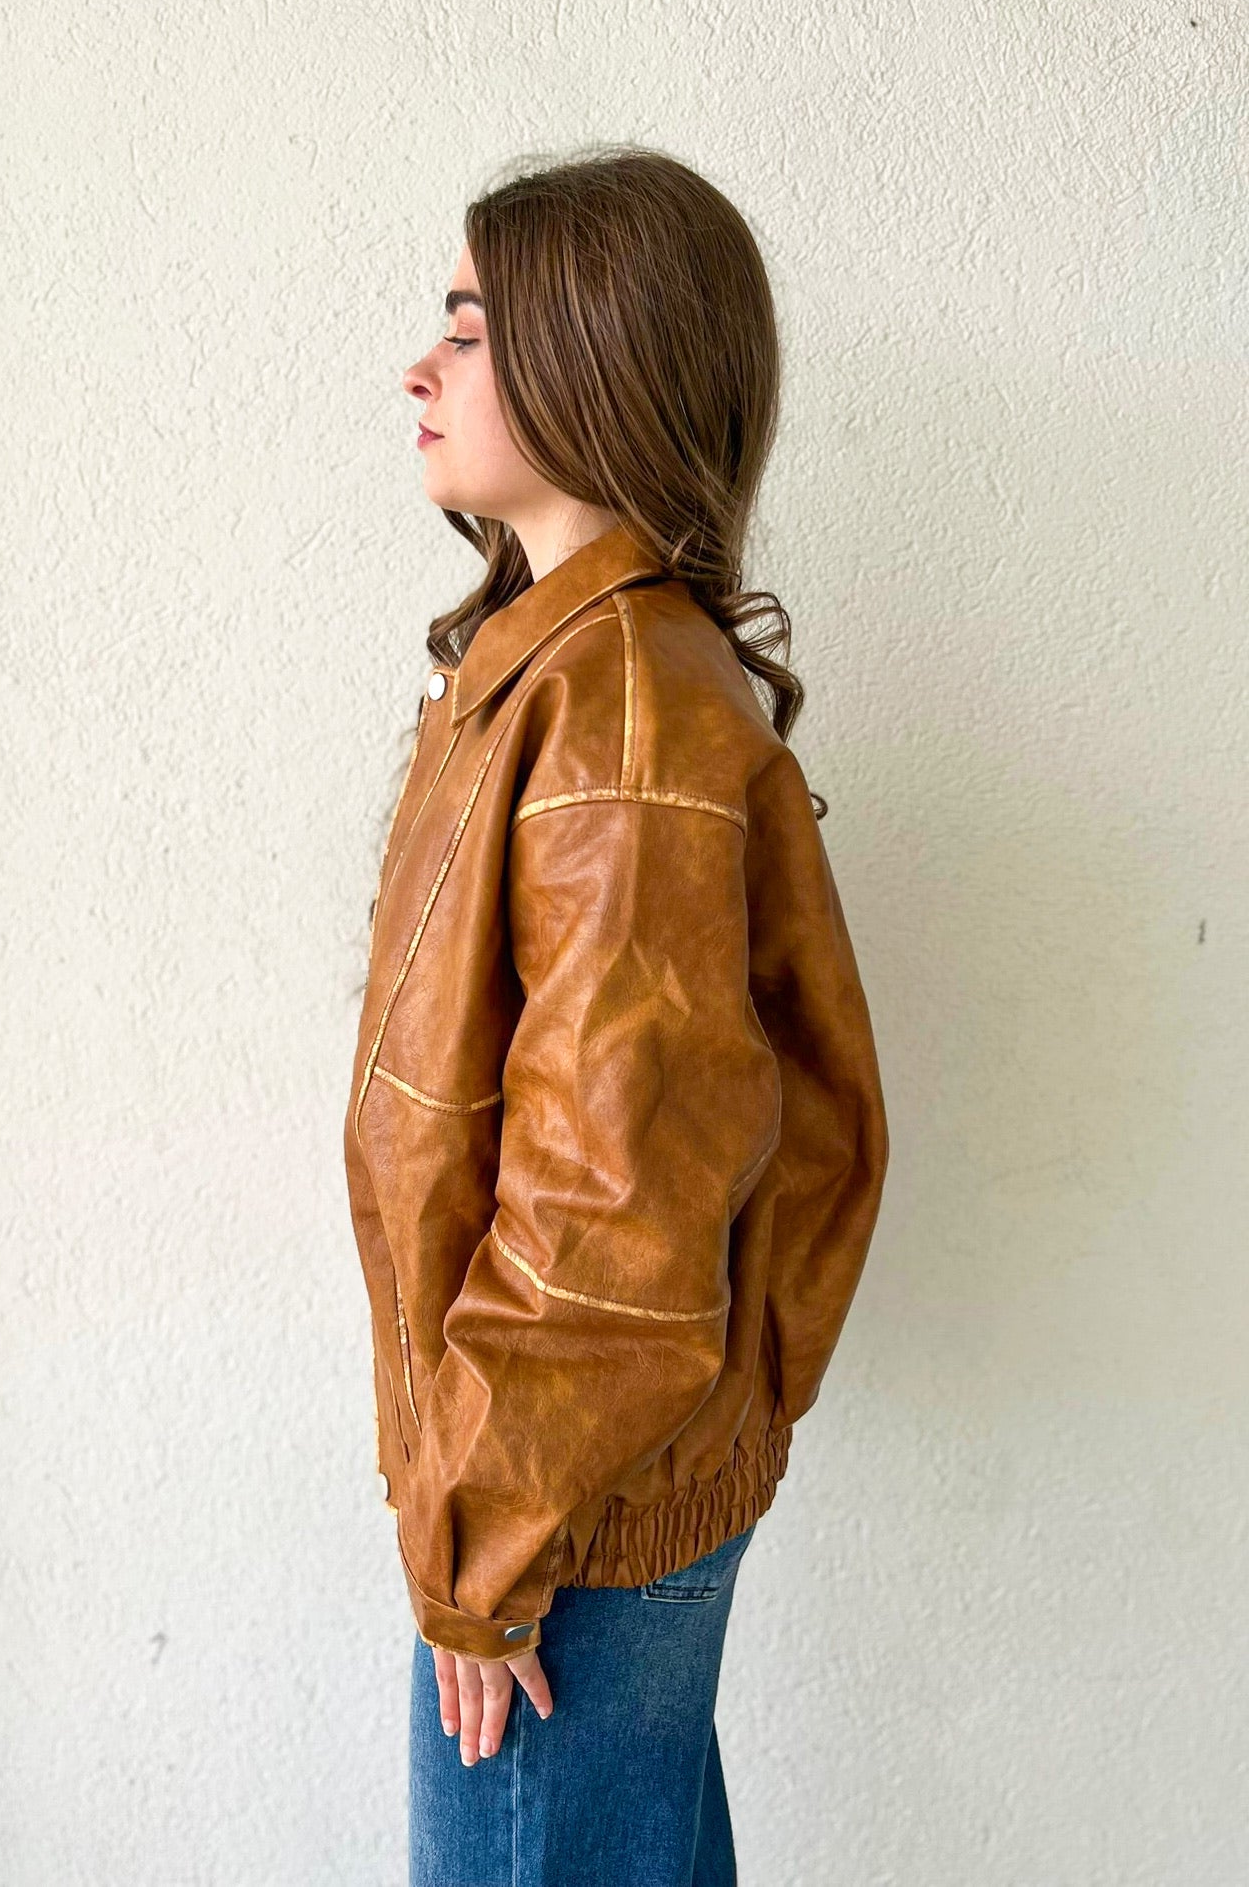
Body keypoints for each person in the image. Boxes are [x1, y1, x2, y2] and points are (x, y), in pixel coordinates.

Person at [342, 145, 890, 1887]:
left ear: (601, 357)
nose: (421, 368)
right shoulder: (559, 669)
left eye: (473, 328)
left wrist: (481, 1548)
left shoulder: (621, 710)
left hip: (561, 1505)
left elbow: (613, 1206)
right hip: (567, 1472)